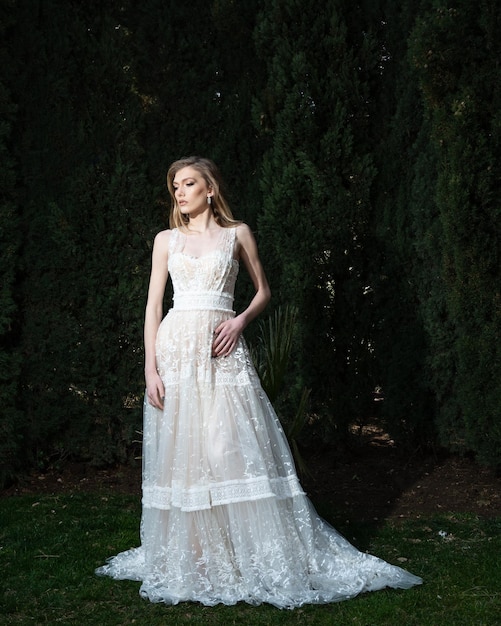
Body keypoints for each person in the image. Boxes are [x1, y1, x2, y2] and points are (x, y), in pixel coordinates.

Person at [96, 156, 422, 608]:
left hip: (222, 350)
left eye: (188, 183)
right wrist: (150, 369)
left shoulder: (237, 234)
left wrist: (240, 321)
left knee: (227, 448)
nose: (180, 192)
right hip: (176, 350)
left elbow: (264, 290)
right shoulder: (165, 240)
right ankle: (196, 556)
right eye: (175, 185)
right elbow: (153, 307)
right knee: (185, 453)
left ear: (210, 188)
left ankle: (247, 551)